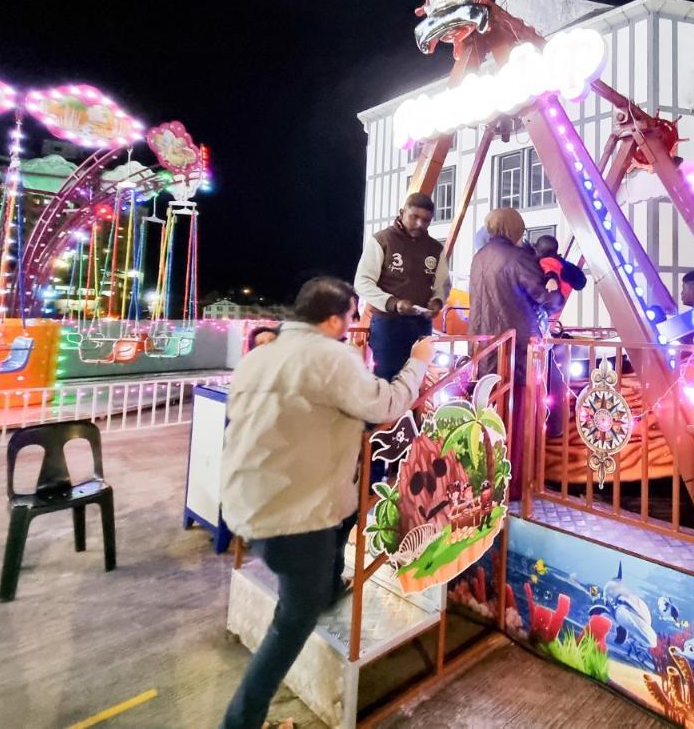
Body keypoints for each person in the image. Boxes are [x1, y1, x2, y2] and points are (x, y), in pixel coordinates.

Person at [219, 277, 432, 729]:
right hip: (294, 517)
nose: (354, 326)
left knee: (344, 523)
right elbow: (387, 404)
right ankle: (241, 720)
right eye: (353, 318)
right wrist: (417, 365)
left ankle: (329, 586)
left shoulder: (262, 354)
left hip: (247, 504)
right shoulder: (330, 358)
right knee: (294, 620)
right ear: (335, 320)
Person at [468, 208, 564, 499]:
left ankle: (485, 483)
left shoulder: (479, 258)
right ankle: (513, 487)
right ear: (514, 229)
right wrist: (554, 288)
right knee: (517, 420)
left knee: (489, 416)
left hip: (485, 351)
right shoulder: (519, 258)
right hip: (517, 352)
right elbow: (546, 298)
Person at [354, 192, 450, 379]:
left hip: (422, 325)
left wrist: (438, 301)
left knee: (419, 379)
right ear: (401, 212)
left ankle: (415, 410)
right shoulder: (382, 240)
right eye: (414, 217)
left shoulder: (435, 248)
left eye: (426, 220)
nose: (420, 224)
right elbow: (362, 282)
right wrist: (393, 303)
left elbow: (443, 284)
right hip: (387, 324)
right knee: (387, 378)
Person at [534, 234, 587, 305]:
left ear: (542, 252)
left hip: (555, 299)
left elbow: (551, 272)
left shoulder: (546, 261)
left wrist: (552, 279)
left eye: (537, 250)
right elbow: (580, 281)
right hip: (561, 299)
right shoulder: (562, 262)